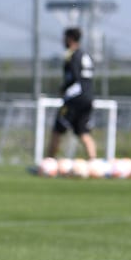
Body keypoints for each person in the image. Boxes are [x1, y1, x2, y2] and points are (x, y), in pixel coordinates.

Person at [45, 26, 97, 162]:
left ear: (70, 38)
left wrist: (63, 88)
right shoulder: (86, 55)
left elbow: (73, 77)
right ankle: (93, 162)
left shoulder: (72, 55)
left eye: (65, 38)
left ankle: (49, 162)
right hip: (88, 98)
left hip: (74, 99)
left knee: (57, 130)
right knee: (84, 132)